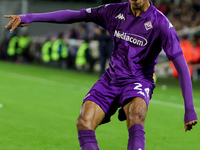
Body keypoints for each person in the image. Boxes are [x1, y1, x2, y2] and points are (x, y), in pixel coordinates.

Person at [5, 0, 198, 150]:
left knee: (136, 115)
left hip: (139, 80)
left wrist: (189, 108)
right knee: (83, 121)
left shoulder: (161, 23)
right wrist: (30, 17)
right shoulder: (114, 11)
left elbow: (181, 65)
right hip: (111, 79)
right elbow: (75, 15)